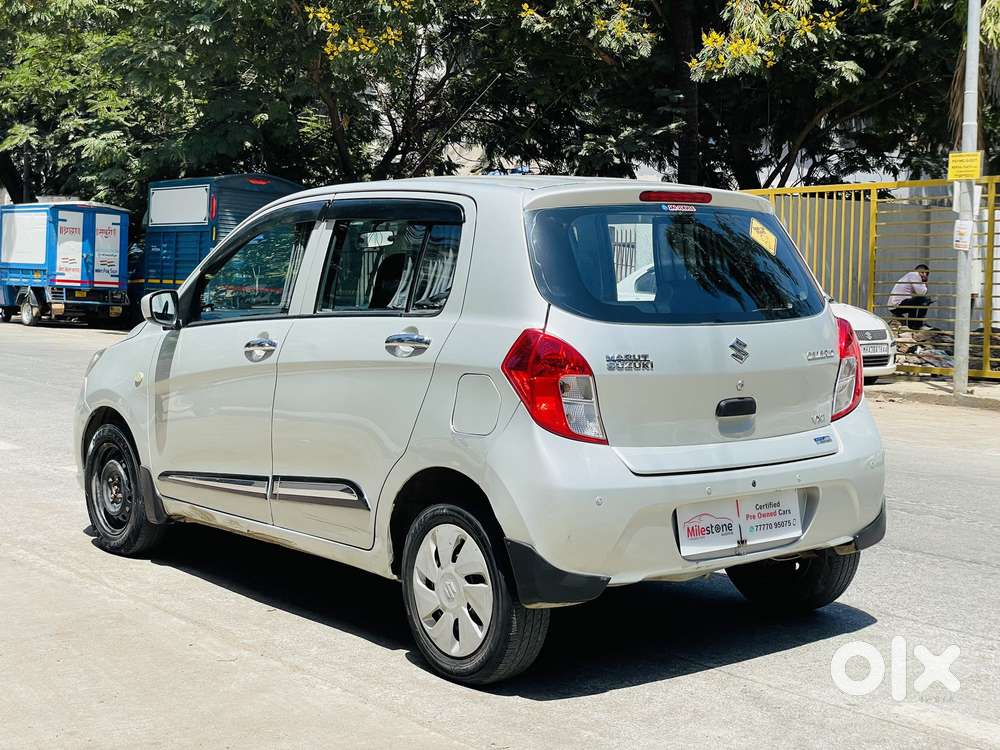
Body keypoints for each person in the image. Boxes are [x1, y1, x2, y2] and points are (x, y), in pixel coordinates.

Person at [889, 264, 932, 330]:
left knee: (915, 302)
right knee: (926, 299)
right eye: (922, 272)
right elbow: (922, 293)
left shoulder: (909, 276)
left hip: (894, 307)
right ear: (916, 271)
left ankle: (912, 326)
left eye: (926, 273)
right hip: (898, 305)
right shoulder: (914, 275)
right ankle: (919, 324)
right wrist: (925, 281)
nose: (924, 275)